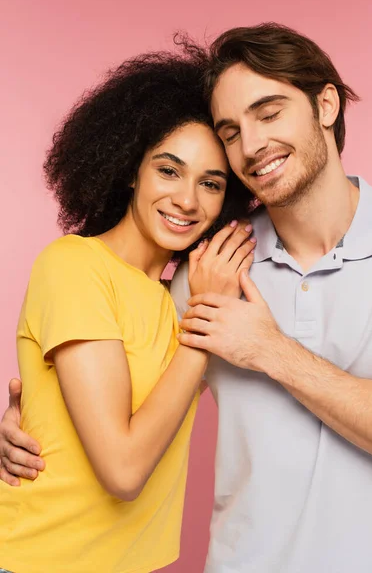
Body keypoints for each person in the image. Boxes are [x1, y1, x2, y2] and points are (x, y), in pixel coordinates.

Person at [3, 22, 372, 573]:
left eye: (269, 112)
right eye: (231, 130)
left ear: (326, 104)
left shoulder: (212, 269)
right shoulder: (203, 274)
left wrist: (269, 349)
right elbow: (122, 432)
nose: (253, 144)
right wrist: (28, 429)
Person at [0, 47, 255, 573]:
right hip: (38, 558)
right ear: (131, 169)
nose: (188, 200)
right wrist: (205, 320)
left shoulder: (177, 298)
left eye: (211, 183)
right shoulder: (73, 265)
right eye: (169, 170)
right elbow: (121, 470)